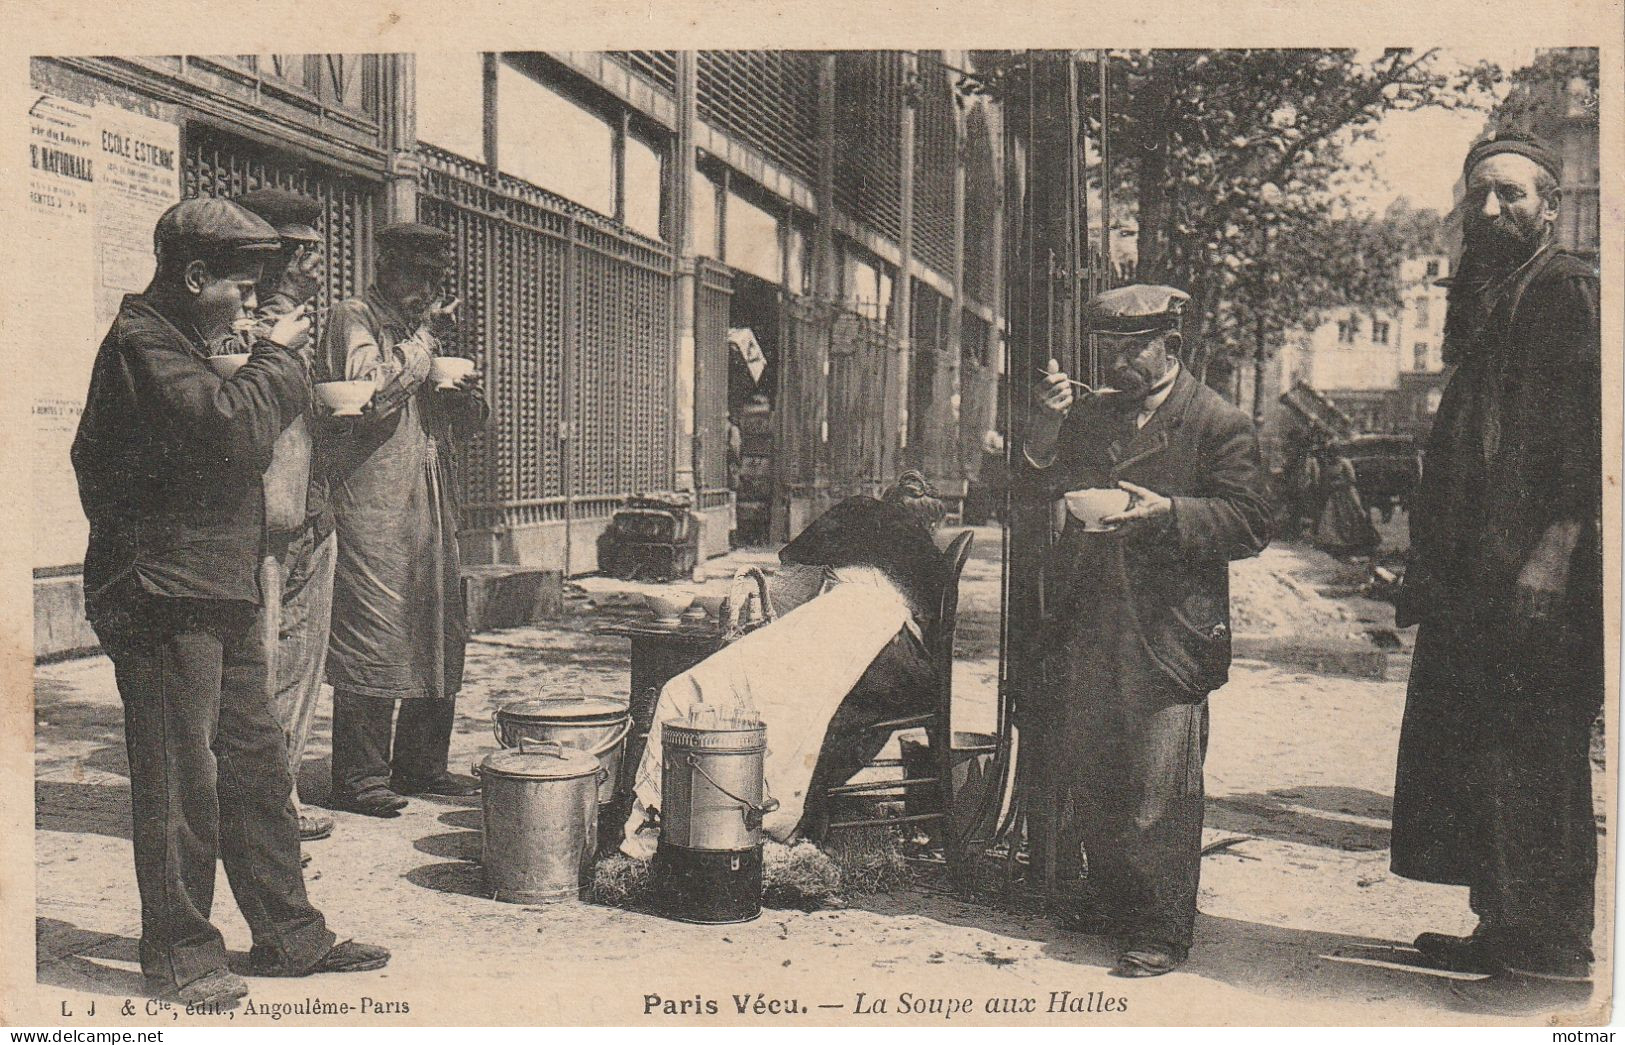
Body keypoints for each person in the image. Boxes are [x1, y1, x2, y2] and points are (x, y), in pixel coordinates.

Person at [71, 198, 389, 1008]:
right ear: (195, 276)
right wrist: (278, 358)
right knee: (180, 780)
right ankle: (179, 953)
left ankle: (290, 932)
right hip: (161, 592)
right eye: (242, 292)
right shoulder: (140, 343)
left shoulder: (180, 341)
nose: (251, 309)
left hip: (219, 579)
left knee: (255, 763)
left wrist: (253, 362)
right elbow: (233, 431)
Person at [1390, 132, 1602, 1010]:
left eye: (1509, 195)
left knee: (1535, 756)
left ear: (1549, 206)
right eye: (1476, 195)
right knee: (1477, 751)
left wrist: (1552, 551)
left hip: (1541, 580)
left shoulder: (1567, 290)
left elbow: (1596, 438)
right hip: (1477, 577)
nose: (1489, 211)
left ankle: (1549, 957)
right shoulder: (1487, 290)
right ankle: (1501, 924)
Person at [1020, 284, 1271, 978]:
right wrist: (1042, 432)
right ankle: (1110, 902)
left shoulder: (1218, 421)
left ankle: (1161, 927)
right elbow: (1034, 486)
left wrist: (1169, 514)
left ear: (1172, 347)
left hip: (1170, 627)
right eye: (1107, 349)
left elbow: (1251, 521)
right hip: (1091, 617)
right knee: (1096, 769)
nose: (1118, 362)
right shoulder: (1091, 416)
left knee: (1161, 785)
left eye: (1134, 348)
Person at [620, 473, 951, 858]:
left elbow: (787, 592)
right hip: (898, 659)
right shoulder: (923, 560)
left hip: (858, 634)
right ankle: (746, 809)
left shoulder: (860, 517)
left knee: (707, 688)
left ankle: (689, 817)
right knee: (778, 697)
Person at [319, 221, 489, 816]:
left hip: (432, 497)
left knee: (440, 622)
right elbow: (368, 393)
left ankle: (420, 762)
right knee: (376, 625)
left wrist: (466, 397)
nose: (424, 289)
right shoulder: (353, 317)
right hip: (372, 501)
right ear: (384, 269)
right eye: (414, 276)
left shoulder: (425, 331)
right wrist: (422, 350)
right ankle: (360, 776)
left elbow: (465, 428)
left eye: (435, 278)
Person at [230, 188, 337, 843]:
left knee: (299, 666)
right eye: (296, 252)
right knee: (262, 669)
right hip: (262, 522)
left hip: (307, 509)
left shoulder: (293, 320)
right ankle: (259, 809)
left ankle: (281, 795)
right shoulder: (238, 323)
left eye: (313, 252)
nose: (310, 266)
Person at [1312, 451, 1380, 558]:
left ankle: (1363, 543)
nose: (1333, 456)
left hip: (1347, 493)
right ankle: (1338, 544)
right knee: (1333, 518)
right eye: (1331, 454)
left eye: (1335, 453)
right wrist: (1330, 485)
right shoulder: (1329, 465)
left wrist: (1338, 484)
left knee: (1356, 515)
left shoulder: (1345, 463)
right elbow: (1325, 479)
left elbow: (1352, 479)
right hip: (1335, 495)